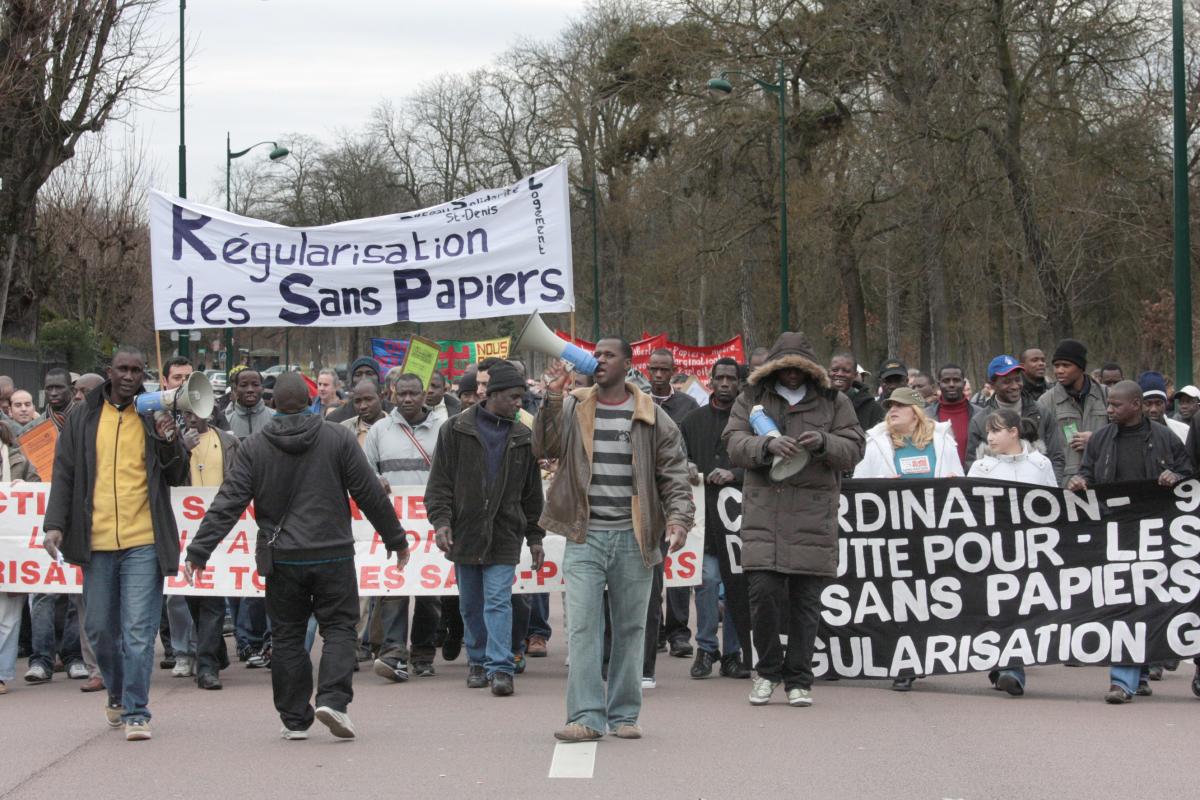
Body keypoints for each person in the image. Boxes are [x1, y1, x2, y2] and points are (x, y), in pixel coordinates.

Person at [184, 373, 408, 740]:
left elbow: (229, 502)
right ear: (310, 400)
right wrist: (396, 539)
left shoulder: (254, 446)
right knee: (338, 627)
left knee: (287, 635)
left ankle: (294, 719)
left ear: (272, 406)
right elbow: (369, 492)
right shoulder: (338, 438)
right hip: (332, 551)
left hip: (282, 556)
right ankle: (333, 700)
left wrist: (199, 550)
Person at [536, 338, 694, 742]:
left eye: (609, 355)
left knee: (629, 628)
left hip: (634, 537)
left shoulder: (653, 416)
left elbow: (674, 474)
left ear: (627, 364)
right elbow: (545, 446)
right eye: (597, 355)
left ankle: (624, 713)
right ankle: (586, 716)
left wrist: (678, 519)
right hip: (584, 535)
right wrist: (552, 397)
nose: (599, 360)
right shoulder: (573, 404)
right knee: (584, 627)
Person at [42, 346, 189, 741]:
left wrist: (167, 440)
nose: (129, 376)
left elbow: (178, 475)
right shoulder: (84, 416)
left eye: (136, 370)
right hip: (96, 542)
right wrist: (54, 525)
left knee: (139, 631)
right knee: (101, 630)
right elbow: (65, 473)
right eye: (122, 369)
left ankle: (137, 711)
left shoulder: (153, 413)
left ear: (144, 375)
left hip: (144, 541)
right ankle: (118, 693)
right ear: (109, 372)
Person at [726, 332, 864, 707]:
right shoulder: (752, 398)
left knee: (806, 604)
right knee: (764, 597)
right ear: (774, 368)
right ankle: (768, 672)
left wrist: (823, 442)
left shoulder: (835, 401)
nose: (791, 376)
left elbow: (855, 448)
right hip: (764, 514)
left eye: (798, 370)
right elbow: (733, 442)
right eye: (784, 369)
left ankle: (800, 679)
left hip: (812, 515)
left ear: (809, 371)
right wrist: (765, 445)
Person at [1067, 380, 1192, 704]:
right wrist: (1080, 481)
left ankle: (1142, 671)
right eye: (1108, 404)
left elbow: (1188, 476)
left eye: (1116, 405)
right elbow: (1088, 474)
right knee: (1124, 604)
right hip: (1117, 533)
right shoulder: (1102, 440)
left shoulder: (1165, 439)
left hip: (1157, 535)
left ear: (1136, 405)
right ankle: (1122, 680)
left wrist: (1176, 478)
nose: (1109, 409)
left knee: (1154, 602)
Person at [425, 362, 545, 696]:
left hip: (506, 533)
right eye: (513, 397)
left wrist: (535, 536)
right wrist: (441, 522)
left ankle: (500, 667)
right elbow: (439, 486)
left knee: (498, 600)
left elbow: (532, 494)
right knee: (470, 604)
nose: (519, 403)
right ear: (491, 395)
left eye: (522, 397)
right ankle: (476, 661)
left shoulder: (524, 436)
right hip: (465, 532)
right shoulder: (454, 430)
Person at [855, 386, 961, 691]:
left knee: (928, 598)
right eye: (890, 406)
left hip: (933, 534)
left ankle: (923, 655)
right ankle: (904, 663)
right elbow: (860, 485)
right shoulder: (875, 443)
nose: (892, 411)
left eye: (900, 406)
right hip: (892, 536)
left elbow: (958, 481)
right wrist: (880, 487)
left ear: (916, 412)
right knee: (899, 598)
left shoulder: (942, 441)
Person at [967, 408, 1056, 695]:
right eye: (987, 432)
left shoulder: (1040, 464)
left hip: (1030, 549)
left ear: (1014, 432)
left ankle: (1011, 668)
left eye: (996, 431)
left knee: (1021, 609)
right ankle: (1002, 665)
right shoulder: (981, 468)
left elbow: (1054, 504)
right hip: (992, 549)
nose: (990, 437)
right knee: (997, 608)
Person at [363, 373, 443, 681]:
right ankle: (394, 652)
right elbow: (364, 468)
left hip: (431, 525)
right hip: (392, 526)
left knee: (429, 592)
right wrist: (375, 481)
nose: (407, 399)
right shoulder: (380, 431)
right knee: (393, 589)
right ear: (392, 394)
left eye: (413, 393)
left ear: (426, 395)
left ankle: (423, 654)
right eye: (402, 394)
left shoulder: (442, 429)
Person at [678, 357, 752, 680]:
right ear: (710, 380)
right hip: (704, 523)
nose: (724, 383)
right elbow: (677, 460)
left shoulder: (751, 422)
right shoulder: (692, 420)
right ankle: (706, 647)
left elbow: (763, 461)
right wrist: (688, 467)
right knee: (707, 581)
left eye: (730, 378)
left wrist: (734, 473)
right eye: (719, 377)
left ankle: (733, 653)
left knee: (736, 586)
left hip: (741, 523)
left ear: (739, 383)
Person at [645, 348, 699, 664]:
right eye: (654, 369)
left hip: (676, 496)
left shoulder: (688, 407)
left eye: (664, 370)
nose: (659, 375)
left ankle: (679, 632)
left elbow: (688, 452)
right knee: (650, 573)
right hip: (646, 500)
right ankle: (657, 633)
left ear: (674, 371)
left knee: (679, 570)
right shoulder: (636, 402)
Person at [179, 409, 239, 690]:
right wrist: (181, 450)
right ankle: (216, 651)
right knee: (193, 596)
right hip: (185, 530)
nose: (192, 417)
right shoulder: (175, 442)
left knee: (212, 597)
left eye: (197, 411)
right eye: (186, 412)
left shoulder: (228, 442)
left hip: (221, 531)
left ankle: (206, 667)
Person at [967, 355, 1065, 482]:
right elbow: (972, 464)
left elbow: (1056, 457)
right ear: (992, 384)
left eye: (1017, 379)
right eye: (1007, 381)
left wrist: (1048, 490)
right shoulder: (980, 420)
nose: (1014, 386)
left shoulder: (1042, 412)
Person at [0, 423, 41, 695]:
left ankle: (1, 674)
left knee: (8, 617)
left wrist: (26, 488)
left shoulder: (20, 459)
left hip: (12, 551)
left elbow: (42, 489)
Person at [1038, 339, 1109, 486]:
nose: (1059, 370)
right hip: (1067, 485)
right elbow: (1040, 450)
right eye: (1056, 366)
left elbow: (1123, 436)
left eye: (1066, 365)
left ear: (1081, 367)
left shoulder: (1106, 395)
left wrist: (1096, 440)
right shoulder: (1045, 402)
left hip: (1104, 480)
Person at [926, 363, 980, 465]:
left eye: (956, 380)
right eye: (946, 381)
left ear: (964, 384)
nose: (951, 384)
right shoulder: (926, 416)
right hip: (938, 478)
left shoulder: (980, 415)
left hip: (973, 477)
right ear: (939, 385)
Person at [829, 352, 884, 432]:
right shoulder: (818, 401)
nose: (839, 374)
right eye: (835, 370)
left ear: (855, 375)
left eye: (846, 371)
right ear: (828, 372)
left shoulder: (872, 408)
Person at [328, 358, 384, 424]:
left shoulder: (393, 413)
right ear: (351, 381)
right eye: (358, 374)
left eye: (369, 373)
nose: (364, 378)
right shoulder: (335, 418)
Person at [1138, 372, 1189, 443]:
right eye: (1148, 404)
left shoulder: (1183, 431)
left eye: (1158, 403)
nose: (1153, 409)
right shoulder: (1130, 435)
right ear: (1139, 405)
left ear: (1166, 403)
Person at [224, 366, 271, 439]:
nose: (250, 390)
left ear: (262, 389)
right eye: (244, 385)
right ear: (236, 390)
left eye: (255, 385)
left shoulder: (275, 419)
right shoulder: (226, 422)